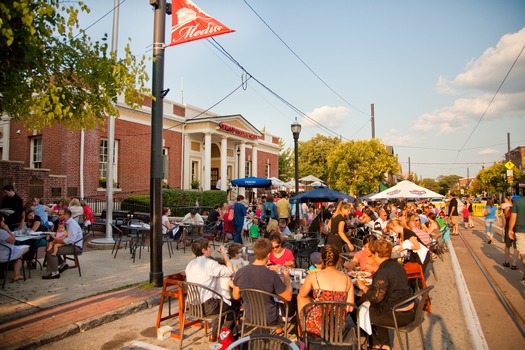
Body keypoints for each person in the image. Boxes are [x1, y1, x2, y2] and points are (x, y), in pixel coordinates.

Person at [355, 240, 414, 350]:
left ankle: (375, 342)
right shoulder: (397, 265)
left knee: (358, 309)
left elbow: (375, 298)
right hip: (410, 308)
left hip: (398, 315)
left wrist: (362, 287)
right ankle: (385, 343)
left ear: (377, 254)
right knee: (376, 306)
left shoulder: (382, 272)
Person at [232, 238, 293, 328]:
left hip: (250, 316)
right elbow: (288, 296)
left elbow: (236, 296)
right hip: (270, 317)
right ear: (269, 254)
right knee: (292, 303)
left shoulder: (240, 272)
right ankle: (284, 333)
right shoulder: (272, 275)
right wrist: (287, 277)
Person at [297, 244, 355, 337]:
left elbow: (302, 294)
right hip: (338, 326)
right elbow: (350, 308)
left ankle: (302, 333)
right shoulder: (347, 279)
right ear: (338, 261)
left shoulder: (314, 276)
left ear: (322, 260)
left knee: (301, 297)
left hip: (317, 324)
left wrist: (314, 300)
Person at [185, 239, 235, 341]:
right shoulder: (210, 264)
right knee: (233, 304)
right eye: (209, 246)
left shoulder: (190, 264)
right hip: (207, 307)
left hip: (192, 306)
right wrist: (225, 255)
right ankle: (223, 335)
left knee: (220, 302)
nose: (211, 248)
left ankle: (215, 334)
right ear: (204, 250)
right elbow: (230, 271)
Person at [42, 208, 83, 279]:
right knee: (50, 246)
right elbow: (64, 234)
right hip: (71, 244)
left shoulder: (72, 225)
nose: (58, 216)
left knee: (50, 250)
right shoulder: (68, 223)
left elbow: (70, 240)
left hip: (75, 247)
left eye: (60, 215)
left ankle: (54, 273)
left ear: (66, 215)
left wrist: (57, 240)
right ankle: (62, 265)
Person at [0, 214, 30, 282]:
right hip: (5, 254)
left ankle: (17, 273)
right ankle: (16, 274)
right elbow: (13, 240)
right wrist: (7, 230)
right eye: (3, 221)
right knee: (26, 248)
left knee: (20, 251)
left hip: (4, 251)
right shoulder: (2, 232)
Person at [508, 196, 525, 284]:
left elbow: (513, 217)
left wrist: (510, 229)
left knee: (523, 256)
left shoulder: (518, 202)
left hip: (521, 232)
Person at [501, 196, 519, 270]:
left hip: (508, 228)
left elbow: (505, 219)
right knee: (516, 247)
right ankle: (514, 264)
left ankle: (507, 261)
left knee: (507, 245)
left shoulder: (508, 209)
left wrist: (503, 229)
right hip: (517, 228)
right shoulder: (520, 210)